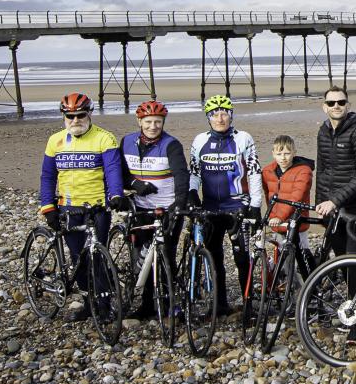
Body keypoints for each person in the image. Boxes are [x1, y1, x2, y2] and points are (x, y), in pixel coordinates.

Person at [38, 92, 124, 322]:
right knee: (78, 258)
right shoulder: (55, 141)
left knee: (97, 256)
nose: (75, 120)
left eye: (81, 115)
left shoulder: (105, 138)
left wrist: (116, 195)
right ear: (64, 117)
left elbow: (113, 170)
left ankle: (104, 306)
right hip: (68, 208)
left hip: (97, 207)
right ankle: (88, 303)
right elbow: (48, 176)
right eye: (70, 116)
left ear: (89, 114)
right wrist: (47, 207)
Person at [188, 94, 263, 316]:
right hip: (211, 207)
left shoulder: (243, 138)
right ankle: (220, 304)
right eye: (215, 115)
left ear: (231, 116)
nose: (220, 119)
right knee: (215, 257)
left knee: (242, 259)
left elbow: (254, 171)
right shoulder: (199, 140)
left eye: (224, 114)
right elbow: (195, 172)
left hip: (238, 207)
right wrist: (192, 193)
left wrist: (255, 205)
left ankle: (248, 305)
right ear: (208, 118)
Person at [119, 99, 190, 318]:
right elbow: (120, 172)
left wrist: (179, 203)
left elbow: (181, 175)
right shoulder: (126, 142)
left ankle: (168, 303)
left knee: (165, 255)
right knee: (141, 256)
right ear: (139, 121)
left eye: (158, 122)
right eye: (148, 121)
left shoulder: (171, 144)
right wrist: (134, 184)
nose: (153, 126)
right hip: (140, 208)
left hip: (167, 208)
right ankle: (146, 304)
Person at [313, 85, 356, 259]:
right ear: (324, 107)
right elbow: (322, 170)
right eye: (331, 103)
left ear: (348, 105)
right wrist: (320, 203)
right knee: (340, 259)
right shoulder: (323, 131)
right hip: (331, 211)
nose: (336, 106)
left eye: (341, 102)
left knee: (354, 262)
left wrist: (334, 201)